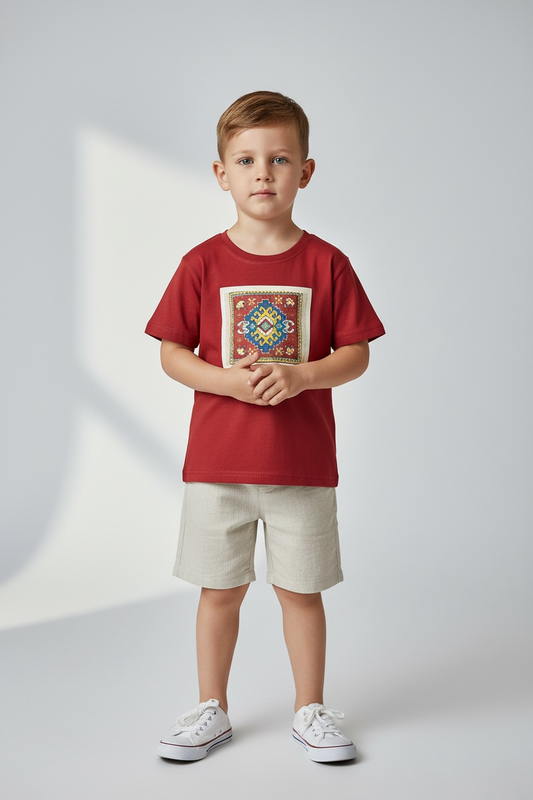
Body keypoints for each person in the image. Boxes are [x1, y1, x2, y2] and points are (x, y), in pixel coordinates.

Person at [145, 90, 385, 763]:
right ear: (220, 173)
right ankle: (211, 708)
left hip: (300, 468)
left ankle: (310, 709)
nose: (262, 173)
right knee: (218, 593)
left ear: (304, 171)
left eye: (279, 159)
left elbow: (356, 353)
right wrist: (225, 381)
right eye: (246, 160)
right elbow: (171, 352)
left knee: (301, 594)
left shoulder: (328, 263)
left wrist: (303, 375)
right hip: (216, 466)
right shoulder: (200, 263)